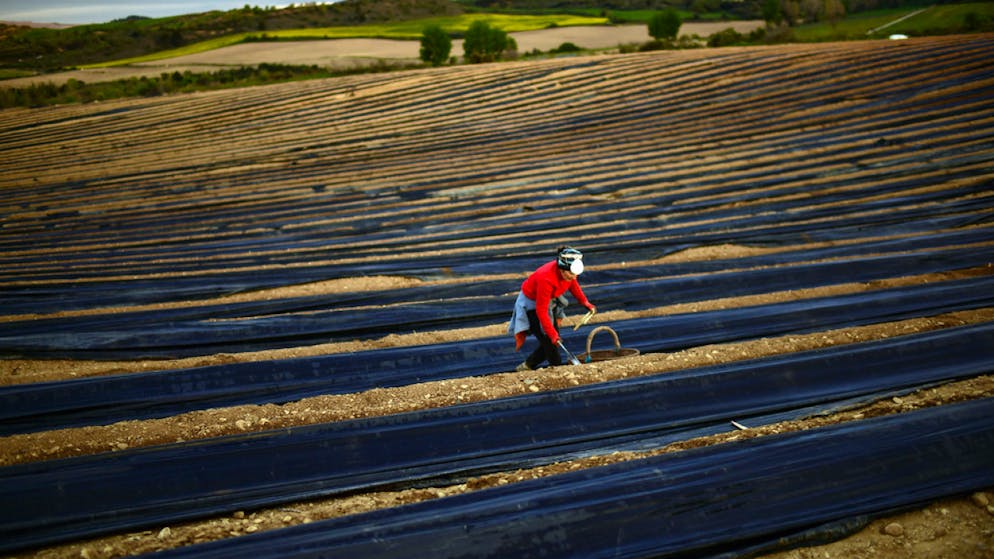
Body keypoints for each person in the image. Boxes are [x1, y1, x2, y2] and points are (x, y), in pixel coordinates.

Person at [508, 246, 596, 371]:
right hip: (532, 305)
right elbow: (541, 310)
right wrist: (552, 334)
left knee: (551, 342)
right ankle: (557, 369)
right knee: (550, 340)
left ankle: (526, 366)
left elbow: (573, 285)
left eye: (575, 274)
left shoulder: (569, 273)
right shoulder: (546, 279)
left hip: (549, 302)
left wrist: (585, 303)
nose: (574, 277)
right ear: (562, 269)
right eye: (571, 274)